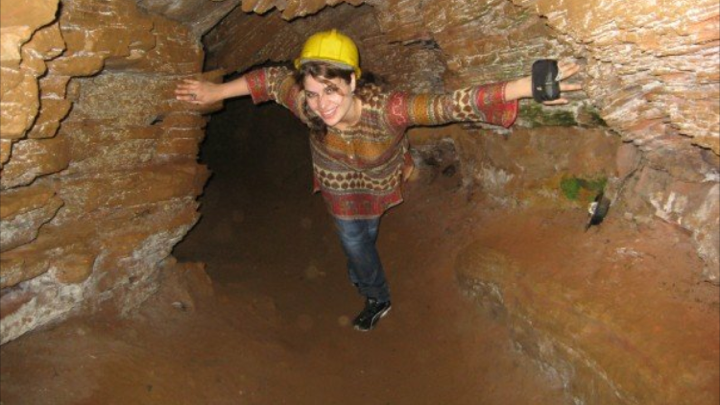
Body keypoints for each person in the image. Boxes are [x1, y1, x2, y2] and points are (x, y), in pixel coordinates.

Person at [175, 30, 581, 332]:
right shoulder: (308, 105)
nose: (322, 104)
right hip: (339, 190)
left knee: (364, 236)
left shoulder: (388, 110)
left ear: (353, 82)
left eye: (331, 90)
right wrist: (216, 92)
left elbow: (448, 105)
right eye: (313, 93)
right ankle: (376, 296)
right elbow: (268, 79)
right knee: (356, 243)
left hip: (383, 177)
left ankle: (389, 206)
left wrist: (527, 86)